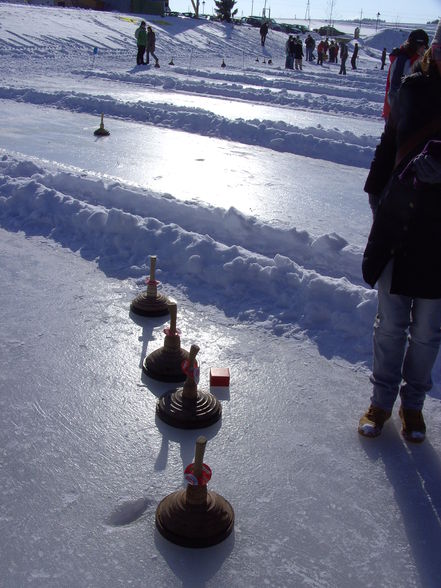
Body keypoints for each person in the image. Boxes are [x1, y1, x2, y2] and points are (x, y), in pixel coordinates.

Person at [358, 20, 441, 444]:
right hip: (400, 220)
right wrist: (375, 191)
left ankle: (413, 406)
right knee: (390, 323)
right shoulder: (410, 86)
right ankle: (381, 401)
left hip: (439, 236)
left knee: (428, 330)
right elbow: (389, 142)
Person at [382, 28, 429, 119]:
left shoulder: (417, 59)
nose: (424, 49)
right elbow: (394, 90)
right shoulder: (402, 60)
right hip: (397, 113)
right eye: (423, 46)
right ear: (415, 45)